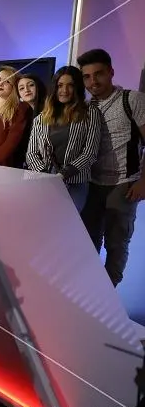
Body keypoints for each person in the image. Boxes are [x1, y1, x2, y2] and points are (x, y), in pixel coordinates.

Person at [77, 48, 145, 287]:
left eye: (99, 74)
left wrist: (143, 181)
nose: (93, 81)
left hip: (124, 183)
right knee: (88, 240)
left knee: (116, 242)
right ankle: (89, 291)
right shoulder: (85, 107)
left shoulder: (133, 99)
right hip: (93, 183)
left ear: (111, 72)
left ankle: (108, 296)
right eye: (86, 76)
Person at [26, 66, 101, 211]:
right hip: (45, 182)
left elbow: (90, 153)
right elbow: (31, 154)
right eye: (60, 85)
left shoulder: (90, 113)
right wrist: (47, 176)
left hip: (75, 182)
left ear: (77, 87)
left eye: (70, 85)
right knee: (45, 225)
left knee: (67, 226)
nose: (64, 90)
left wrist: (63, 175)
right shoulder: (41, 118)